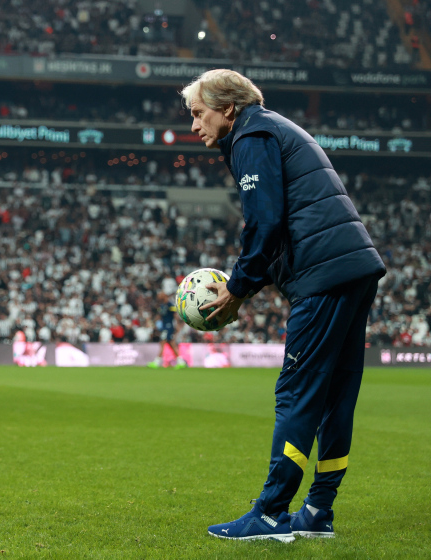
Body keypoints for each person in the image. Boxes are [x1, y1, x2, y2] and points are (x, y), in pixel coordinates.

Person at [181, 69, 385, 542]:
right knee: (336, 395)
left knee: (297, 392)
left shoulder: (251, 136)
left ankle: (271, 514)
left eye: (197, 113)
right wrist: (248, 285)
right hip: (354, 268)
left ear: (227, 107)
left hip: (325, 276)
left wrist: (237, 287)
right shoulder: (273, 127)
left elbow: (266, 223)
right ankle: (317, 511)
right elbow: (287, 224)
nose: (193, 125)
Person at [148, 293, 187, 369]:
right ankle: (181, 362)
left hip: (168, 326)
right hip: (164, 326)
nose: (159, 298)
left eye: (160, 296)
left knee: (163, 342)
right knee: (171, 344)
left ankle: (156, 362)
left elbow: (175, 315)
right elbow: (159, 315)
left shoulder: (170, 305)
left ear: (164, 296)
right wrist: (154, 322)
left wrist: (178, 325)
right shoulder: (162, 306)